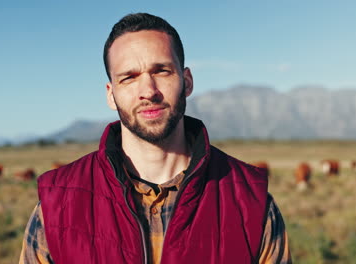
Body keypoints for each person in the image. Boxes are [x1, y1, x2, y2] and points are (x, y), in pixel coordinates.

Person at [19, 13, 292, 264]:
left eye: (161, 71)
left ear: (187, 81)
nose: (148, 91)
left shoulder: (251, 201)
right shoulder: (57, 206)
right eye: (129, 77)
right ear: (110, 94)